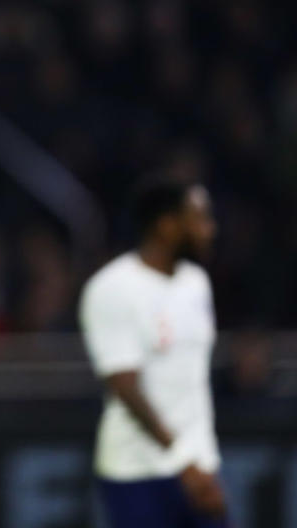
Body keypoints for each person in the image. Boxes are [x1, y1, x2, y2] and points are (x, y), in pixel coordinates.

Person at [79, 177, 228, 528]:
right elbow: (126, 387)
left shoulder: (196, 283)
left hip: (200, 466)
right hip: (138, 473)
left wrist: (198, 461)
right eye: (200, 217)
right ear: (167, 225)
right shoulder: (113, 288)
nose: (210, 229)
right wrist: (183, 462)